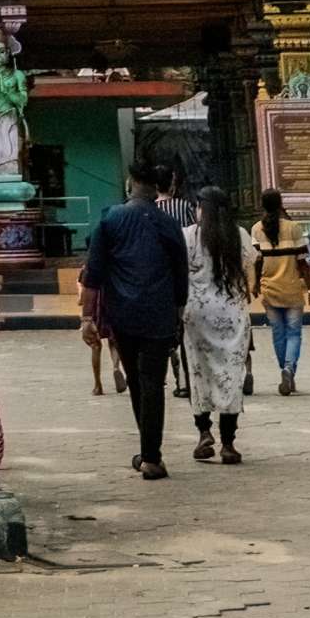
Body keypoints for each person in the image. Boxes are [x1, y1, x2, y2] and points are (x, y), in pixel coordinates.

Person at [80, 169, 192, 481]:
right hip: (159, 313)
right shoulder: (169, 225)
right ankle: (151, 456)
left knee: (136, 380)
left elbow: (93, 273)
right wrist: (178, 314)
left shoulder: (110, 219)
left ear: (130, 186)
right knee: (154, 382)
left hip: (123, 315)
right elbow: (181, 275)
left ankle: (150, 453)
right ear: (157, 190)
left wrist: (87, 318)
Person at [183, 190, 255, 464]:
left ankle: (203, 433)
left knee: (198, 371)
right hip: (232, 313)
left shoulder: (188, 236)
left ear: (201, 208)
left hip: (197, 314)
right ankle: (228, 443)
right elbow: (249, 267)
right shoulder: (240, 235)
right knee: (230, 375)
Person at [250, 192, 310, 396]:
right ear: (281, 204)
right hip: (292, 288)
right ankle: (289, 368)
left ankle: (285, 370)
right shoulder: (293, 228)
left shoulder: (256, 229)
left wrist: (254, 285)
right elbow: (303, 262)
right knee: (294, 332)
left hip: (270, 289)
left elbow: (256, 261)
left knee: (278, 333)